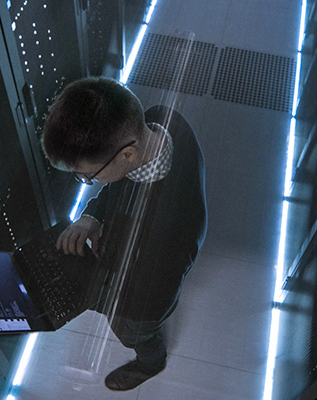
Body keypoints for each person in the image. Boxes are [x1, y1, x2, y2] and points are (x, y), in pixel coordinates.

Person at [40, 77, 207, 391]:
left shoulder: (167, 235)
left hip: (142, 304)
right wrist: (93, 214)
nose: (83, 179)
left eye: (87, 176)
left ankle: (151, 362)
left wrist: (80, 291)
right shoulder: (160, 119)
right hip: (139, 266)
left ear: (128, 155)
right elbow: (121, 183)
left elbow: (147, 299)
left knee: (134, 333)